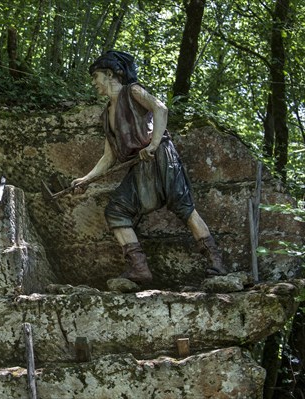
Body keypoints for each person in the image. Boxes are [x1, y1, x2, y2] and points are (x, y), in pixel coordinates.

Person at [71, 50, 227, 284]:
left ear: (110, 74)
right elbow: (108, 156)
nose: (94, 82)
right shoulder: (107, 114)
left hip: (161, 157)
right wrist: (86, 179)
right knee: (116, 211)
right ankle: (139, 268)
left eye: (96, 76)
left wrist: (153, 144)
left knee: (184, 207)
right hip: (140, 165)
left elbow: (160, 109)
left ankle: (216, 263)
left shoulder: (132, 91)